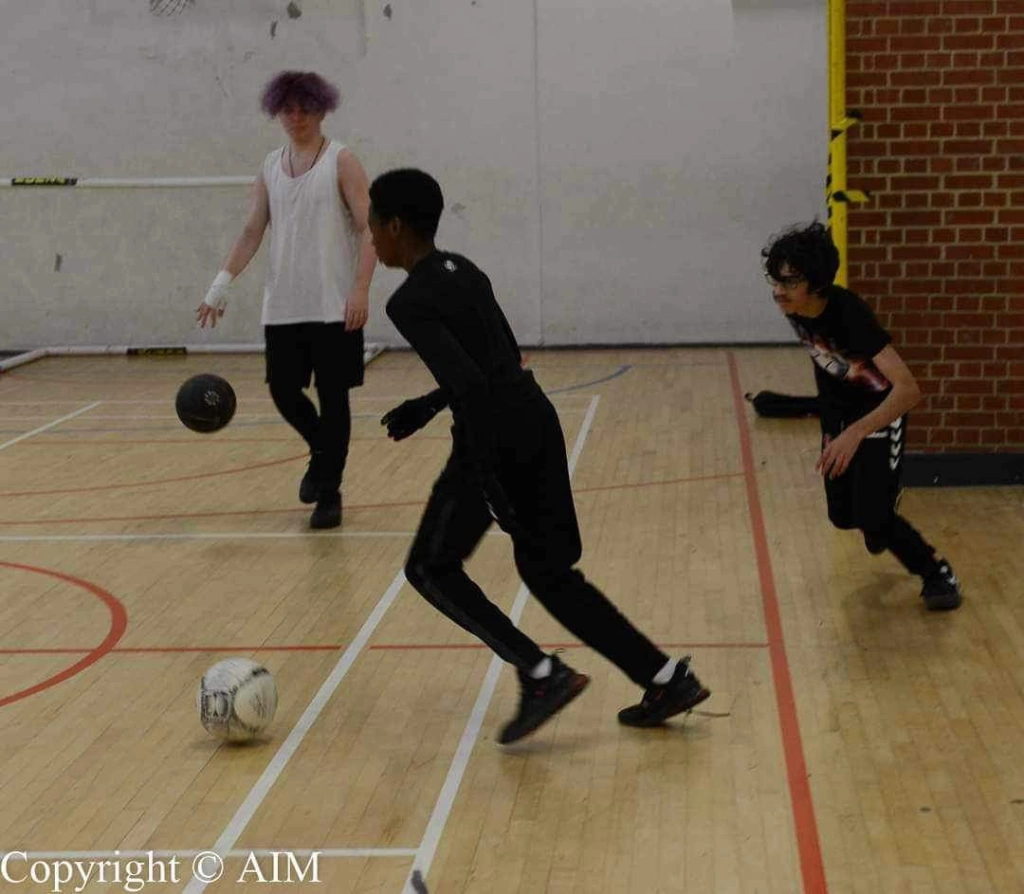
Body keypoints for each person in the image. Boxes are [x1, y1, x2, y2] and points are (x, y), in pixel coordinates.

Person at [367, 168, 711, 744]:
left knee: (429, 567)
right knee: (549, 571)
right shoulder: (464, 270)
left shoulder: (409, 301)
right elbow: (500, 358)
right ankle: (665, 679)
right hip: (535, 418)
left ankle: (541, 673)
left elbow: (472, 387)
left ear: (395, 226)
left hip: (492, 440)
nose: (371, 236)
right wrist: (428, 404)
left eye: (372, 224)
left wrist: (489, 481)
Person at [197, 70, 376, 529]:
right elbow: (252, 230)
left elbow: (370, 229)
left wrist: (360, 289)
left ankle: (329, 494)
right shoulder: (270, 166)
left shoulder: (342, 161)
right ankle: (322, 454)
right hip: (283, 304)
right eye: (288, 110)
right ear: (277, 112)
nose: (296, 118)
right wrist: (220, 285)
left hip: (334, 304)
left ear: (322, 110)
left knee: (333, 398)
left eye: (306, 109)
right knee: (282, 390)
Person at [762, 222, 962, 611]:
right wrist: (831, 426)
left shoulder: (851, 316)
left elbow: (908, 390)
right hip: (842, 420)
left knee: (874, 517)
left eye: (790, 282)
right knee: (842, 516)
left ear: (817, 282)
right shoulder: (797, 309)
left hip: (881, 414)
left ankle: (937, 573)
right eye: (776, 280)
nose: (778, 291)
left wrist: (855, 433)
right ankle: (880, 507)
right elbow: (827, 366)